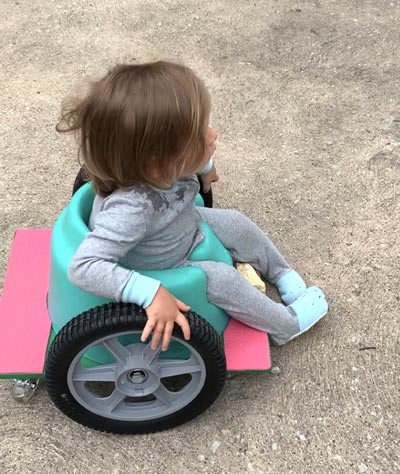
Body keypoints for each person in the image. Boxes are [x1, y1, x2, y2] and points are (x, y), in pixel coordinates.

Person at [57, 60, 328, 352]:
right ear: (161, 162)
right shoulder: (131, 210)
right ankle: (285, 324)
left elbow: (191, 164)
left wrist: (206, 165)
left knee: (235, 222)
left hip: (180, 223)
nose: (213, 135)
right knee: (223, 279)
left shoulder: (156, 168)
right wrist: (149, 293)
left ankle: (281, 272)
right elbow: (83, 267)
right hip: (166, 266)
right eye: (200, 134)